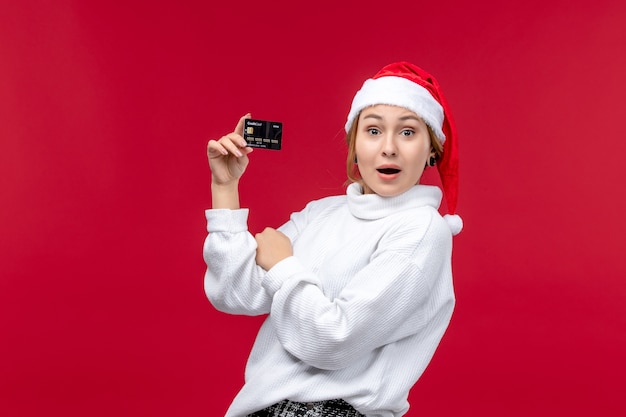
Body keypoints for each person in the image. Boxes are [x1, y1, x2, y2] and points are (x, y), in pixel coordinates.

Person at [203, 61, 462, 417]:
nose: (388, 148)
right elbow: (236, 293)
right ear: (354, 144)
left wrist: (283, 266)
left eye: (407, 133)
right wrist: (225, 187)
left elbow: (334, 340)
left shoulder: (422, 230)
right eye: (373, 131)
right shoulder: (321, 213)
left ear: (432, 149)